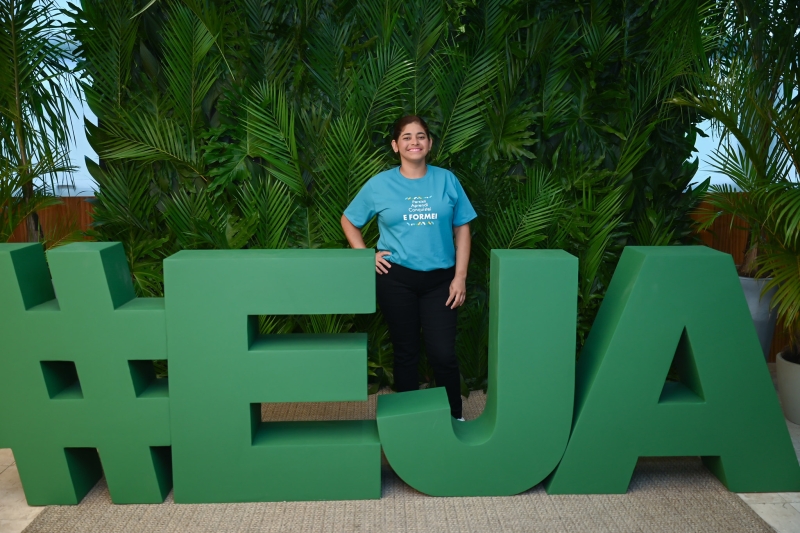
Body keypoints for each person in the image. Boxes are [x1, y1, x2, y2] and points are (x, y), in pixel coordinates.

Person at [340, 115, 477, 421]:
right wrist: (365, 255)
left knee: (443, 353)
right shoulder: (380, 184)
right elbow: (349, 220)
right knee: (405, 352)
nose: (414, 142)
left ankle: (455, 416)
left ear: (429, 143)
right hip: (395, 279)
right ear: (395, 145)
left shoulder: (447, 180)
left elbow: (463, 229)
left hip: (442, 281)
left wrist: (460, 278)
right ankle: (409, 423)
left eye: (420, 136)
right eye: (406, 137)